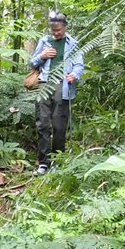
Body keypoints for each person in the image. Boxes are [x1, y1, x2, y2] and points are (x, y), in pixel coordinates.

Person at [28, 11, 84, 174]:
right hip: (44, 84)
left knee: (59, 125)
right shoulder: (45, 41)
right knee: (42, 123)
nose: (56, 33)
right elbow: (32, 63)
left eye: (59, 30)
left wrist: (75, 74)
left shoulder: (72, 43)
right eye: (53, 30)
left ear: (65, 27)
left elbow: (79, 64)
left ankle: (58, 160)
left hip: (63, 85)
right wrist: (42, 56)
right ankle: (44, 162)